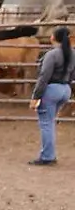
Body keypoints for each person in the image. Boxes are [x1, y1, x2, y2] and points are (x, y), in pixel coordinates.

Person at [28, 26, 74, 166]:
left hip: (51, 89)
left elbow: (44, 76)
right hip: (65, 89)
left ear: (54, 37)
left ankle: (47, 156)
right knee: (50, 121)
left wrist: (35, 96)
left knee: (46, 123)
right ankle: (49, 153)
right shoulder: (72, 54)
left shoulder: (52, 55)